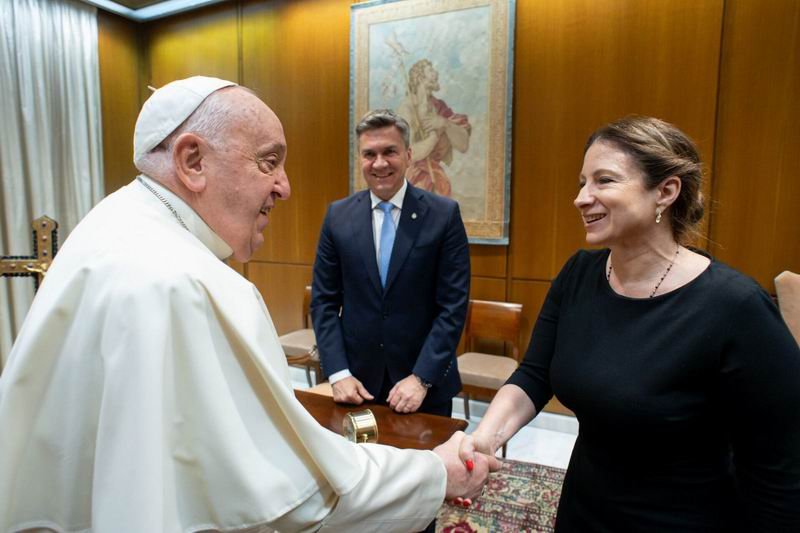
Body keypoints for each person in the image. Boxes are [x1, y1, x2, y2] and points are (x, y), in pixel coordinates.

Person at [0, 77, 498, 532]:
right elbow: (294, 497)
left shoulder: (108, 225)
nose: (284, 186)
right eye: (268, 161)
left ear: (409, 155)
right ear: (192, 162)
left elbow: (452, 304)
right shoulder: (192, 284)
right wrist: (436, 473)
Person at [459, 116, 800, 531]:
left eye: (604, 180)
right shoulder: (579, 274)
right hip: (583, 511)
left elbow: (779, 467)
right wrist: (485, 438)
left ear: (666, 191)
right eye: (582, 182)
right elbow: (535, 374)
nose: (582, 198)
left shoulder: (736, 306)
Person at [311, 109, 469, 416]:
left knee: (423, 465)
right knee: (358, 465)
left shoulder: (443, 216)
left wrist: (422, 379)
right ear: (360, 158)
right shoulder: (337, 217)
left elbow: (452, 307)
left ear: (409, 155)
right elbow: (324, 302)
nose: (379, 163)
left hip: (423, 389)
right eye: (369, 154)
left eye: (390, 152)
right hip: (356, 386)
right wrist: (338, 372)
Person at [396, 60, 471, 197]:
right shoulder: (408, 108)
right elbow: (410, 154)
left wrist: (445, 123)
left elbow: (463, 145)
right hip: (413, 179)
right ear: (420, 78)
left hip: (436, 177)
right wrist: (435, 136)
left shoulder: (439, 107)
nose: (436, 73)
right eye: (431, 71)